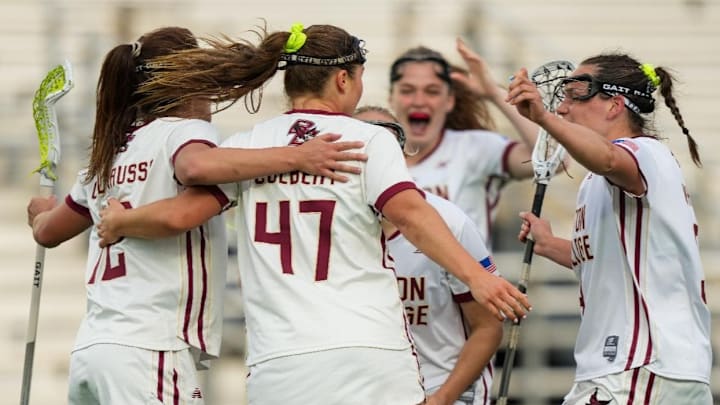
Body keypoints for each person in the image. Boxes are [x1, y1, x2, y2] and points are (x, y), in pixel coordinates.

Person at [94, 23, 531, 404]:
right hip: (367, 351)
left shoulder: (247, 146)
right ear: (343, 79)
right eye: (359, 78)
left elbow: (178, 217)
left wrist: (120, 222)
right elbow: (411, 215)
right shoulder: (367, 138)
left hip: (279, 363)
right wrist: (478, 277)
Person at [26, 26, 368, 405]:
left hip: (93, 350)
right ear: (189, 82)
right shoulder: (184, 130)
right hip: (152, 348)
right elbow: (194, 168)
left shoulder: (107, 155)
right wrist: (298, 155)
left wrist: (40, 214)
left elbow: (47, 232)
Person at [509, 54, 712, 404]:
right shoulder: (600, 178)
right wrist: (550, 243)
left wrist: (541, 116)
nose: (562, 108)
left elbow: (607, 158)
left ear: (615, 105)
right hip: (639, 370)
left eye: (575, 96)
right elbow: (606, 260)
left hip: (638, 367)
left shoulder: (642, 152)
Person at [355, 106, 503, 405]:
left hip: (441, 390)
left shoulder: (450, 222)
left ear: (401, 155)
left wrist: (441, 399)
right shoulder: (327, 226)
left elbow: (488, 327)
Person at [387, 38, 545, 248]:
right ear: (391, 98)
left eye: (432, 91)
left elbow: (552, 159)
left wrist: (493, 93)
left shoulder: (473, 148)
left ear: (449, 100)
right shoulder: (375, 155)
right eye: (407, 90)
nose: (419, 101)